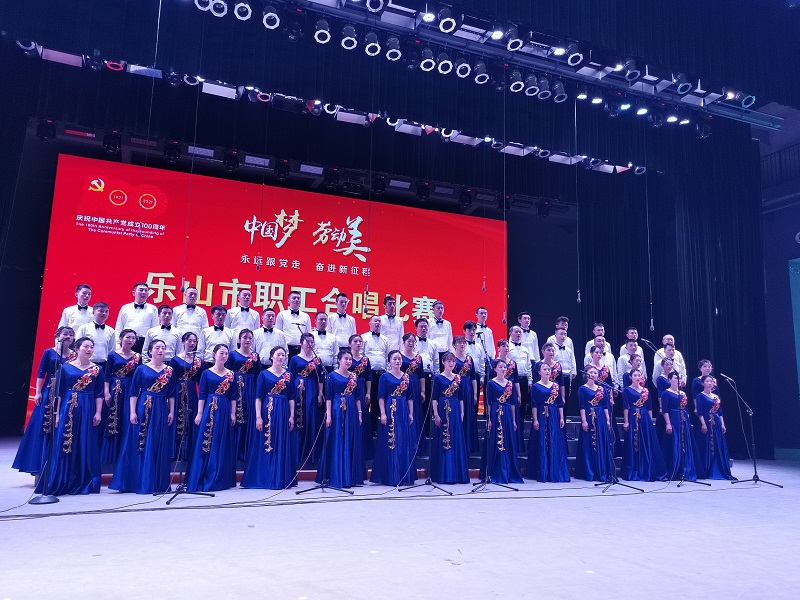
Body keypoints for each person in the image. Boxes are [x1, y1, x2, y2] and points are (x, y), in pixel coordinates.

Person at [36, 337, 104, 496]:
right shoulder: (65, 368)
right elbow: (58, 394)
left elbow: (99, 393)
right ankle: (61, 480)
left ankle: (84, 480)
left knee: (85, 441)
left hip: (88, 406)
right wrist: (57, 414)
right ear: (77, 349)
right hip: (67, 407)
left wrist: (98, 412)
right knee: (65, 441)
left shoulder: (97, 369)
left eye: (91, 347)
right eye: (86, 346)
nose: (89, 349)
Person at [109, 339, 176, 494]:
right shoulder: (141, 369)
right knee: (139, 440)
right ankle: (135, 481)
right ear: (150, 351)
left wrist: (171, 411)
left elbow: (171, 394)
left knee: (157, 441)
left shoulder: (169, 371)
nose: (160, 350)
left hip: (160, 407)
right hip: (143, 405)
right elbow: (133, 392)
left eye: (163, 348)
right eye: (157, 348)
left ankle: (156, 481)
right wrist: (132, 412)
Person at [13, 326, 76, 475]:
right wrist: (38, 392)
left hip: (66, 391)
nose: (68, 337)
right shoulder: (49, 352)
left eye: (71, 335)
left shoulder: (75, 354)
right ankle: (39, 462)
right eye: (65, 334)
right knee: (44, 423)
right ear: (58, 336)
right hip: (50, 388)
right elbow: (41, 372)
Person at [242, 347, 296, 489]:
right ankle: (264, 477)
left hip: (283, 411)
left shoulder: (288, 375)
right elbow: (258, 397)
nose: (281, 357)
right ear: (271, 357)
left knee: (281, 441)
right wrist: (258, 417)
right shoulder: (264, 374)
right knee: (266, 441)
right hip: (268, 411)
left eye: (283, 355)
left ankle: (281, 477)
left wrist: (292, 416)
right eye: (278, 355)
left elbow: (291, 397)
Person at [186, 344, 237, 492]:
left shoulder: (231, 374)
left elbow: (233, 396)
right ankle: (204, 474)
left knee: (222, 440)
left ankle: (220, 477)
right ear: (214, 354)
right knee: (206, 440)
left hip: (225, 408)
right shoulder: (206, 373)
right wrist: (199, 413)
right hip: (209, 408)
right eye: (221, 353)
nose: (224, 356)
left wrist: (233, 413)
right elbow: (202, 394)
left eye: (226, 353)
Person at [316, 350, 365, 488]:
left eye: (350, 359)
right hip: (337, 409)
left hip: (352, 409)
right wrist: (329, 415)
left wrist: (360, 413)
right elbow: (329, 397)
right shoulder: (332, 376)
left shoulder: (354, 377)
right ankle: (335, 475)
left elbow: (357, 397)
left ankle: (350, 476)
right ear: (339, 360)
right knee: (337, 439)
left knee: (350, 439)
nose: (348, 361)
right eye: (346, 359)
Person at [370, 350, 416, 486]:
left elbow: (410, 397)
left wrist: (411, 413)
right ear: (389, 361)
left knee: (403, 440)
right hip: (390, 409)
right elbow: (381, 397)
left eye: (399, 359)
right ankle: (389, 475)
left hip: (403, 410)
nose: (397, 361)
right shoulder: (385, 377)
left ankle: (403, 474)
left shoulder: (406, 377)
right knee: (390, 440)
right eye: (395, 359)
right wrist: (383, 413)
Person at [101, 329, 141, 465]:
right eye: (128, 337)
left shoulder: (137, 357)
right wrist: (106, 392)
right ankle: (112, 454)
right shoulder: (112, 355)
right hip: (115, 388)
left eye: (133, 338)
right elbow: (107, 375)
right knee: (114, 417)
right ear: (121, 338)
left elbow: (139, 376)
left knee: (128, 417)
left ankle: (127, 452)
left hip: (131, 388)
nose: (130, 340)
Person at [481, 358, 523, 484]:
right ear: (495, 369)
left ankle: (508, 471)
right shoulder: (491, 383)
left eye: (505, 367)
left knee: (507, 440)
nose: (503, 369)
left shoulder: (510, 384)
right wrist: (489, 419)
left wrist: (514, 420)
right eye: (500, 367)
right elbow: (488, 402)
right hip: (495, 412)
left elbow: (512, 403)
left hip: (507, 413)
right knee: (495, 440)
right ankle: (494, 470)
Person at [429, 352, 469, 484]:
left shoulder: (458, 378)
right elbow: (434, 398)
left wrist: (462, 412)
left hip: (455, 409)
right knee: (443, 438)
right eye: (449, 361)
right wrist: (436, 414)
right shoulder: (438, 378)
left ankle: (456, 473)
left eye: (453, 361)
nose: (451, 363)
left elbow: (461, 397)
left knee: (455, 438)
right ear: (443, 362)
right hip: (442, 407)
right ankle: (443, 473)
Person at [527, 362, 570, 483]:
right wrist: (535, 419)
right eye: (544, 369)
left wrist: (561, 418)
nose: (547, 371)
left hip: (554, 415)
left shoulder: (555, 386)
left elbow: (559, 404)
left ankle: (554, 470)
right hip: (541, 414)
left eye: (548, 369)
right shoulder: (536, 386)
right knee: (542, 440)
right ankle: (543, 471)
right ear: (539, 372)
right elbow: (534, 404)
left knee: (554, 440)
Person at [622, 369, 666, 481]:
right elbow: (626, 406)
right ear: (630, 377)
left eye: (639, 375)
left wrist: (650, 421)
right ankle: (634, 469)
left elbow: (649, 407)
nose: (637, 377)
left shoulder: (645, 390)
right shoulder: (627, 390)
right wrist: (626, 421)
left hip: (644, 417)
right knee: (634, 441)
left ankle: (647, 468)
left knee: (646, 441)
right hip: (632, 416)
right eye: (635, 375)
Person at [289, 333, 325, 465]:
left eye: (312, 341)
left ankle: (313, 454)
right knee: (299, 417)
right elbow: (290, 376)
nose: (310, 344)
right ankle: (298, 452)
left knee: (312, 417)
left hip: (313, 389)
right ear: (301, 343)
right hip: (298, 388)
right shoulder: (295, 359)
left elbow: (320, 378)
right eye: (307, 341)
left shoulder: (317, 360)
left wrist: (320, 393)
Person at [226, 329, 261, 464]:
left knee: (249, 416)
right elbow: (228, 373)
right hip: (236, 387)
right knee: (237, 416)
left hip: (251, 388)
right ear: (239, 339)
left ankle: (247, 452)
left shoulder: (255, 356)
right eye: (245, 337)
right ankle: (234, 451)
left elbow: (258, 375)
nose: (247, 340)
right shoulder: (233, 355)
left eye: (250, 338)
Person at [575, 366, 613, 482]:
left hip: (600, 417)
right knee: (589, 443)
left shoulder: (601, 389)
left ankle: (602, 469)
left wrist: (607, 420)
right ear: (586, 375)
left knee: (601, 442)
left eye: (595, 373)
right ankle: (590, 470)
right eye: (591, 372)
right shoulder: (582, 389)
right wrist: (584, 421)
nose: (593, 374)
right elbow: (581, 406)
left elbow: (605, 406)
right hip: (588, 415)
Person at [169, 331, 203, 462]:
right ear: (183, 342)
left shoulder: (198, 361)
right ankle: (176, 451)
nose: (192, 343)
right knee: (178, 417)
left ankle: (189, 452)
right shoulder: (175, 359)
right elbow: (171, 380)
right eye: (189, 341)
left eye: (194, 341)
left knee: (191, 418)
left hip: (192, 392)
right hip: (178, 391)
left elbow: (200, 380)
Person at [661, 371, 700, 481]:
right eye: (675, 378)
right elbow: (665, 410)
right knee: (675, 442)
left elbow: (685, 407)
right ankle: (674, 469)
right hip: (673, 418)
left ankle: (685, 470)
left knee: (685, 443)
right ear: (669, 380)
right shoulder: (666, 393)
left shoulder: (682, 393)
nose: (677, 380)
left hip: (684, 419)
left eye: (678, 378)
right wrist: (668, 423)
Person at [695, 375, 736, 480]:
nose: (710, 383)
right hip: (707, 420)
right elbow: (700, 412)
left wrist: (722, 424)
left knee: (718, 443)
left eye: (711, 381)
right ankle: (707, 468)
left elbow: (720, 412)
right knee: (708, 444)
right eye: (707, 381)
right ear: (703, 383)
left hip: (716, 421)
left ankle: (719, 467)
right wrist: (703, 423)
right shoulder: (700, 396)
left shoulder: (716, 396)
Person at [363, 316, 389, 447]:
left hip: (382, 374)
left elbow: (387, 357)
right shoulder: (364, 338)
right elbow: (362, 355)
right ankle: (366, 428)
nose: (377, 323)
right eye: (375, 321)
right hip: (368, 374)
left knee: (380, 401)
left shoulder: (385, 339)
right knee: (367, 401)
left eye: (379, 321)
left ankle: (376, 428)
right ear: (370, 323)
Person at [414, 318, 438, 450]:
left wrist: (437, 376)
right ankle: (415, 429)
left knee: (428, 403)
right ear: (416, 328)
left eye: (425, 327)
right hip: (415, 376)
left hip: (428, 376)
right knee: (415, 403)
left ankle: (427, 430)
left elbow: (436, 361)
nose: (423, 329)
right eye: (421, 326)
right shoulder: (412, 341)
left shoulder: (433, 343)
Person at [400, 333, 426, 454]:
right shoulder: (399, 355)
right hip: (402, 386)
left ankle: (416, 445)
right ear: (404, 342)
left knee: (415, 413)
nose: (411, 343)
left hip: (415, 386)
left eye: (413, 341)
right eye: (408, 341)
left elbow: (421, 375)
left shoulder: (418, 357)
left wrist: (422, 391)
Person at [114, 282, 159, 353]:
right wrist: (117, 345)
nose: (143, 292)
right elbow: (119, 327)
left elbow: (155, 329)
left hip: (144, 343)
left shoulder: (153, 309)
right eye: (141, 290)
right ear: (134, 293)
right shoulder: (125, 308)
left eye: (146, 290)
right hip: (127, 341)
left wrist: (152, 347)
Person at [348, 334, 373, 459]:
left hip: (361, 387)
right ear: (350, 344)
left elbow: (368, 377)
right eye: (355, 341)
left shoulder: (365, 360)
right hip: (348, 388)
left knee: (363, 415)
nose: (358, 343)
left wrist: (368, 392)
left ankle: (363, 449)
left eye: (360, 341)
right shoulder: (346, 358)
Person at [453, 335, 479, 454]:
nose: (462, 344)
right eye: (459, 342)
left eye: (464, 342)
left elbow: (473, 377)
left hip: (468, 388)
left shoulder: (469, 359)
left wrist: (475, 393)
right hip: (456, 388)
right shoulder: (451, 358)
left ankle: (468, 446)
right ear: (454, 345)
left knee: (468, 415)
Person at [75, 302, 115, 367]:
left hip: (104, 364)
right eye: (101, 311)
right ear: (93, 312)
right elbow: (78, 346)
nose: (104, 313)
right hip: (86, 363)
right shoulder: (83, 328)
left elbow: (112, 349)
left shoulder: (111, 331)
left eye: (106, 311)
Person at [508, 326, 532, 428]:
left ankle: (520, 431)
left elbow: (528, 365)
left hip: (523, 379)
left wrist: (530, 380)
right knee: (512, 404)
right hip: (511, 380)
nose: (518, 334)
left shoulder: (525, 349)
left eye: (520, 332)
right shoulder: (507, 347)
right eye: (516, 332)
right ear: (510, 333)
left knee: (522, 404)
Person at [275, 290, 311, 357]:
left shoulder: (306, 316)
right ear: (288, 301)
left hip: (301, 349)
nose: (296, 300)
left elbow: (308, 334)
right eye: (294, 298)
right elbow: (278, 333)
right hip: (286, 348)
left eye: (298, 298)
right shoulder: (282, 315)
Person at [552, 327, 577, 410]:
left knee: (565, 400)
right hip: (555, 377)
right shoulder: (552, 349)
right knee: (554, 398)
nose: (563, 336)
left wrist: (572, 373)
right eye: (561, 334)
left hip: (566, 376)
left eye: (565, 335)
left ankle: (564, 417)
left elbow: (571, 362)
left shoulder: (569, 350)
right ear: (555, 335)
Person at [463, 320, 487, 400]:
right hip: (465, 376)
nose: (472, 332)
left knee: (475, 399)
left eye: (473, 330)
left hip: (476, 375)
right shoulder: (462, 345)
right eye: (469, 330)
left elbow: (481, 362)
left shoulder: (479, 346)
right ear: (464, 331)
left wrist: (482, 377)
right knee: (465, 399)